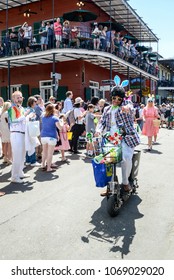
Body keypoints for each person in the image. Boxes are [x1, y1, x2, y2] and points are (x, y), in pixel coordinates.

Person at [96, 77, 140, 195]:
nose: (116, 100)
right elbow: (102, 122)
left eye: (119, 99)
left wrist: (126, 108)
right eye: (114, 98)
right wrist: (98, 130)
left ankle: (125, 182)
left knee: (126, 158)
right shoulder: (107, 109)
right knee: (109, 162)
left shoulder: (126, 105)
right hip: (111, 139)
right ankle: (110, 186)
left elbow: (131, 109)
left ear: (122, 99)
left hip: (126, 137)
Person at [8, 91, 31, 183]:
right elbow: (13, 121)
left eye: (20, 97)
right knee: (17, 156)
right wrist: (25, 116)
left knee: (22, 156)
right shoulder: (12, 108)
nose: (19, 99)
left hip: (22, 134)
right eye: (17, 97)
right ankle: (14, 176)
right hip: (16, 133)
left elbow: (23, 121)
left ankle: (20, 172)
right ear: (13, 99)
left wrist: (28, 117)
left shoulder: (21, 108)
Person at [40, 104, 63, 172]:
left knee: (44, 151)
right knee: (50, 153)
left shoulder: (43, 117)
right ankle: (49, 168)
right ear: (53, 110)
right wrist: (61, 122)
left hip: (43, 136)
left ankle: (43, 164)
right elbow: (60, 128)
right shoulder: (55, 118)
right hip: (51, 136)